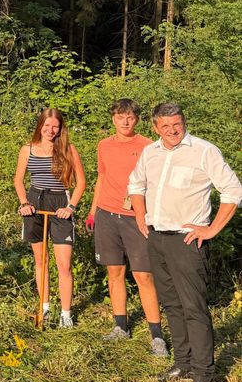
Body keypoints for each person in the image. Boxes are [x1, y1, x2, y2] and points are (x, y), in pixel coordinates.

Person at [128, 102, 242, 382]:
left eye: (177, 124)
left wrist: (212, 229)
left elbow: (233, 190)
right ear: (155, 127)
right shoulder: (150, 153)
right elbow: (135, 184)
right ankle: (183, 363)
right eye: (165, 126)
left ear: (184, 122)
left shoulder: (204, 151)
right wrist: (140, 215)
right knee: (172, 304)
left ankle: (204, 376)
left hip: (187, 241)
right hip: (156, 237)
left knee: (194, 307)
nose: (172, 130)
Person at [86, 99, 166, 354]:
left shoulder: (148, 146)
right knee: (115, 272)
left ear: (137, 120)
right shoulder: (104, 145)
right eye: (120, 117)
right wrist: (93, 212)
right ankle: (121, 326)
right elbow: (101, 178)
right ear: (113, 119)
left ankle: (157, 335)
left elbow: (155, 182)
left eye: (130, 117)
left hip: (135, 217)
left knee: (144, 275)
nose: (125, 122)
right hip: (107, 215)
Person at [14, 107, 86, 328]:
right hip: (35, 202)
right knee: (40, 259)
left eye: (55, 126)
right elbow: (18, 180)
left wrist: (70, 207)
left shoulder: (68, 149)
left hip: (59, 202)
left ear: (60, 128)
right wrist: (24, 203)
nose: (50, 130)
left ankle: (66, 314)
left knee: (64, 264)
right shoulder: (27, 149)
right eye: (47, 125)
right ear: (40, 125)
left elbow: (81, 182)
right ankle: (44, 307)